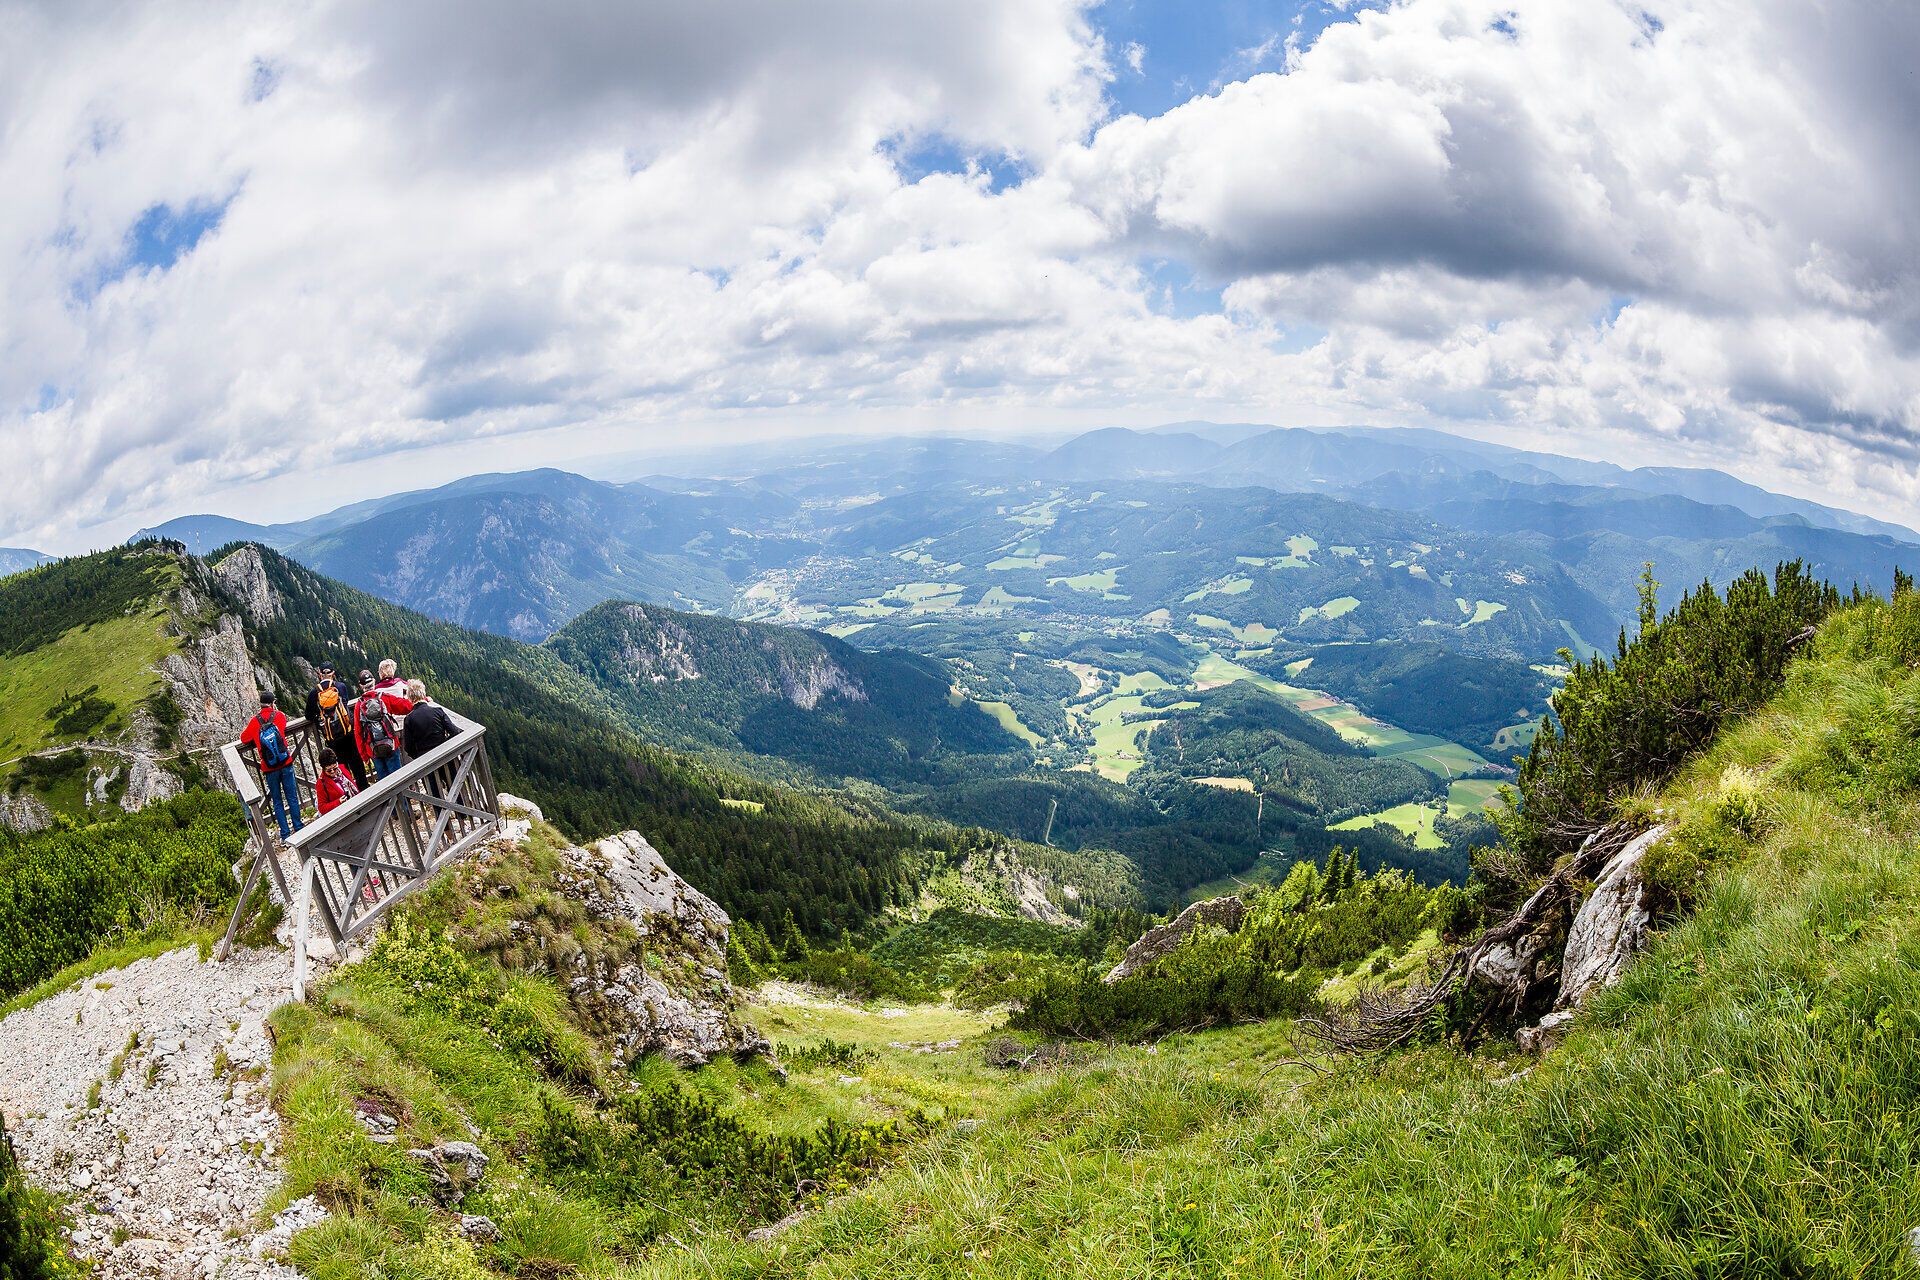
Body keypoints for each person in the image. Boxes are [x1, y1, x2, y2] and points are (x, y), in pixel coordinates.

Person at [239, 690, 303, 840]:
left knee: (277, 801)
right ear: (273, 703)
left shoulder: (254, 722)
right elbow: (283, 726)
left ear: (261, 705)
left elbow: (244, 738)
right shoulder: (279, 716)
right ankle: (299, 828)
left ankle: (285, 834)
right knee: (292, 797)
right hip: (285, 763)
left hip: (269, 767)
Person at [305, 661, 367, 792]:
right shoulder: (340, 687)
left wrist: (319, 719)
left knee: (342, 770)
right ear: (333, 673)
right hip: (348, 734)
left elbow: (308, 716)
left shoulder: (314, 693)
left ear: (320, 674)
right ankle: (365, 792)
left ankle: (350, 795)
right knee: (357, 767)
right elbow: (345, 703)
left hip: (332, 739)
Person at [353, 668, 413, 782]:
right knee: (398, 779)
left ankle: (388, 794)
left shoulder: (359, 705)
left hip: (373, 749)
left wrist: (364, 756)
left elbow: (358, 733)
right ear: (374, 682)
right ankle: (402, 794)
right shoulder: (383, 697)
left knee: (384, 782)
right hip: (391, 744)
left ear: (361, 686)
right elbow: (404, 706)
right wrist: (423, 700)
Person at [402, 679, 458, 759]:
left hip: (425, 761)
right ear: (424, 694)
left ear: (409, 697)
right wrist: (445, 744)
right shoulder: (438, 711)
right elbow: (454, 732)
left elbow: (408, 747)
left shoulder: (408, 719)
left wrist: (418, 756)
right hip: (445, 757)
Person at [315, 746, 359, 814]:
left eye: (335, 768)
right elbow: (322, 808)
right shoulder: (321, 783)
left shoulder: (342, 769)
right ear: (323, 768)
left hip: (355, 806)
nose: (333, 772)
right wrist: (338, 802)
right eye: (329, 770)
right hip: (341, 814)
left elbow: (354, 786)